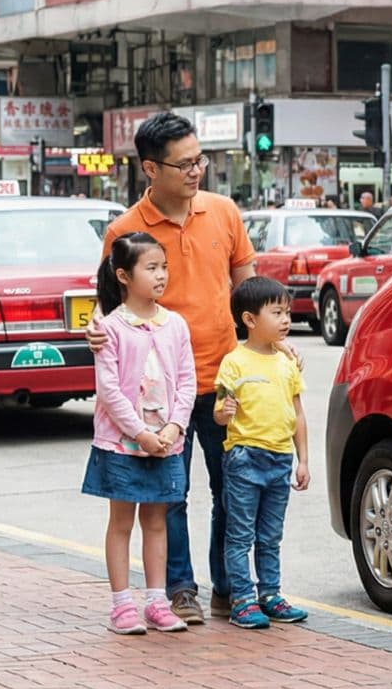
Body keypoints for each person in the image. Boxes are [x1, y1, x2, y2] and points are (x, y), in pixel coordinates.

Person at [94, 113, 260, 627]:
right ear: (150, 168)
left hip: (223, 379)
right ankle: (179, 590)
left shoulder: (224, 212)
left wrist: (272, 344)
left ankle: (231, 589)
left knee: (234, 489)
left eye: (200, 160)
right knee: (170, 496)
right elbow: (106, 305)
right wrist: (94, 331)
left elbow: (248, 292)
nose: (196, 171)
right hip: (160, 396)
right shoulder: (125, 231)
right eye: (184, 163)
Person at [84, 232, 196, 636]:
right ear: (123, 276)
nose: (161, 275)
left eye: (163, 267)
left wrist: (173, 426)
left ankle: (157, 602)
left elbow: (187, 381)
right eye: (151, 268)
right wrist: (139, 432)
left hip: (166, 441)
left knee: (156, 521)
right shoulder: (110, 327)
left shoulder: (176, 324)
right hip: (121, 444)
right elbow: (109, 389)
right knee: (121, 522)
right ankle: (121, 606)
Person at [211, 276, 311, 630]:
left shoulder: (287, 364)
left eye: (287, 312)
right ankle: (242, 600)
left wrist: (303, 461)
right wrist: (223, 412)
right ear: (250, 320)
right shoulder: (234, 363)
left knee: (271, 535)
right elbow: (219, 410)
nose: (286, 320)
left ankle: (271, 594)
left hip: (280, 459)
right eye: (277, 312)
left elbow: (298, 414)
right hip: (244, 458)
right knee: (240, 534)